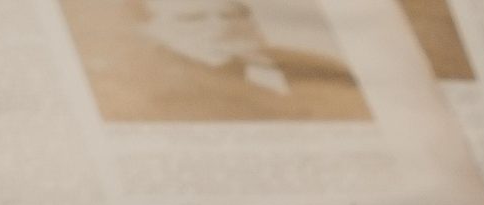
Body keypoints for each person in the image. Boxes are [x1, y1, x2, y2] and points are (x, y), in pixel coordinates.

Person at [77, 0, 370, 123]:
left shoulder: (321, 68)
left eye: (232, 14)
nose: (220, 28)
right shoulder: (134, 90)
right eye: (193, 19)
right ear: (151, 31)